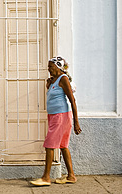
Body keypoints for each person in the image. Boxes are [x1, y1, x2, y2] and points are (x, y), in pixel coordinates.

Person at [30, 56, 82, 186]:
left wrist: (76, 121)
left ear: (58, 67)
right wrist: (49, 84)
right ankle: (71, 176)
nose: (48, 69)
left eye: (50, 67)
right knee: (63, 146)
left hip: (61, 116)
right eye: (48, 67)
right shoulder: (53, 80)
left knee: (50, 144)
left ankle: (46, 177)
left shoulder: (63, 79)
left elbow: (72, 100)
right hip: (55, 116)